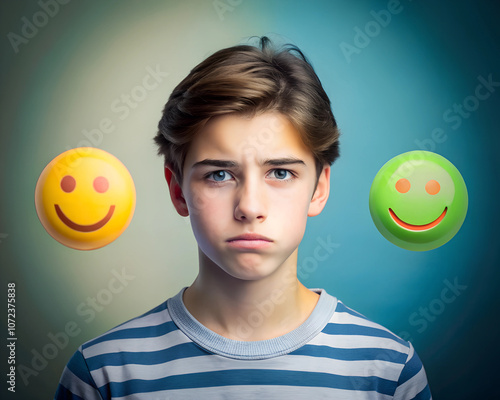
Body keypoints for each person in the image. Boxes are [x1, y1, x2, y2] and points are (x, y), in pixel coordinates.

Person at [55, 36, 432, 399]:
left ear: (319, 188)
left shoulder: (388, 372)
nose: (250, 207)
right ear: (177, 190)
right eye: (219, 175)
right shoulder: (102, 375)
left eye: (280, 173)